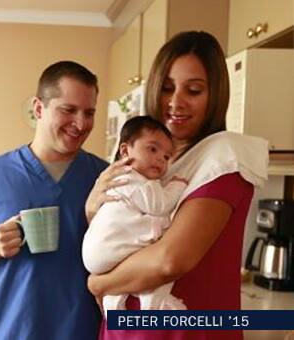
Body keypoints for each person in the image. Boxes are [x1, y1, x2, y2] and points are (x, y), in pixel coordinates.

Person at [85, 31, 268, 340]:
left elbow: (170, 260)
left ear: (216, 95)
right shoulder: (151, 156)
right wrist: (93, 208)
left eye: (193, 90)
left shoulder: (224, 158)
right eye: (167, 88)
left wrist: (99, 283)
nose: (175, 102)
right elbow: (116, 230)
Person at [0, 60, 107, 340]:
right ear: (39, 108)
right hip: (9, 332)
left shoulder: (105, 178)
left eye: (89, 112)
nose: (81, 124)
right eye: (68, 110)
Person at [82, 116, 189, 313]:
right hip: (107, 251)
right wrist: (178, 184)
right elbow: (159, 205)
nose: (160, 159)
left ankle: (112, 306)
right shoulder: (129, 178)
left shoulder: (120, 179)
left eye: (166, 157)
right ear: (125, 151)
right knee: (155, 259)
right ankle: (156, 304)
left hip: (100, 255)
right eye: (152, 149)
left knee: (124, 280)